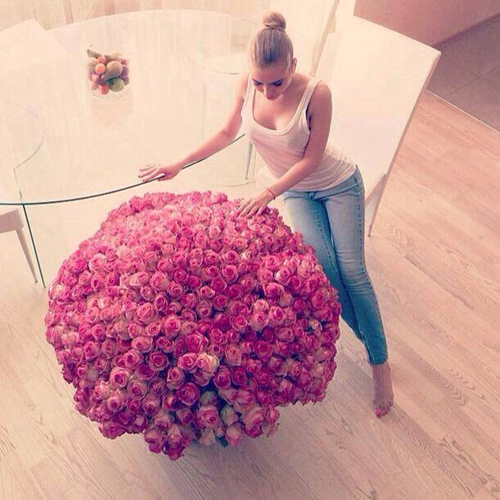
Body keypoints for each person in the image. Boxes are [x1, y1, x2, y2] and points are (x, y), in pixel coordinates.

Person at [139, 11, 394, 417]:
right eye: (259, 82)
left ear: (292, 66)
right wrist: (179, 162)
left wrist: (269, 191)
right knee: (326, 271)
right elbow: (225, 133)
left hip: (334, 183)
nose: (267, 91)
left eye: (276, 82)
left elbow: (312, 159)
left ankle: (379, 362)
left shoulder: (318, 93)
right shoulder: (248, 84)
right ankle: (368, 339)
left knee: (352, 270)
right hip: (296, 193)